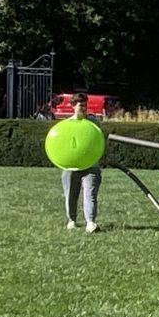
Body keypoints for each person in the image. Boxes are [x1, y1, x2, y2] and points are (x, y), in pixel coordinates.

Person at [61, 93, 102, 233]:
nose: (84, 108)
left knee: (90, 194)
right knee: (71, 194)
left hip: (92, 165)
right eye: (80, 105)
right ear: (73, 106)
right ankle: (72, 220)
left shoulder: (93, 122)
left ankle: (90, 222)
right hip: (71, 165)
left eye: (85, 105)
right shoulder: (66, 125)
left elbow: (98, 140)